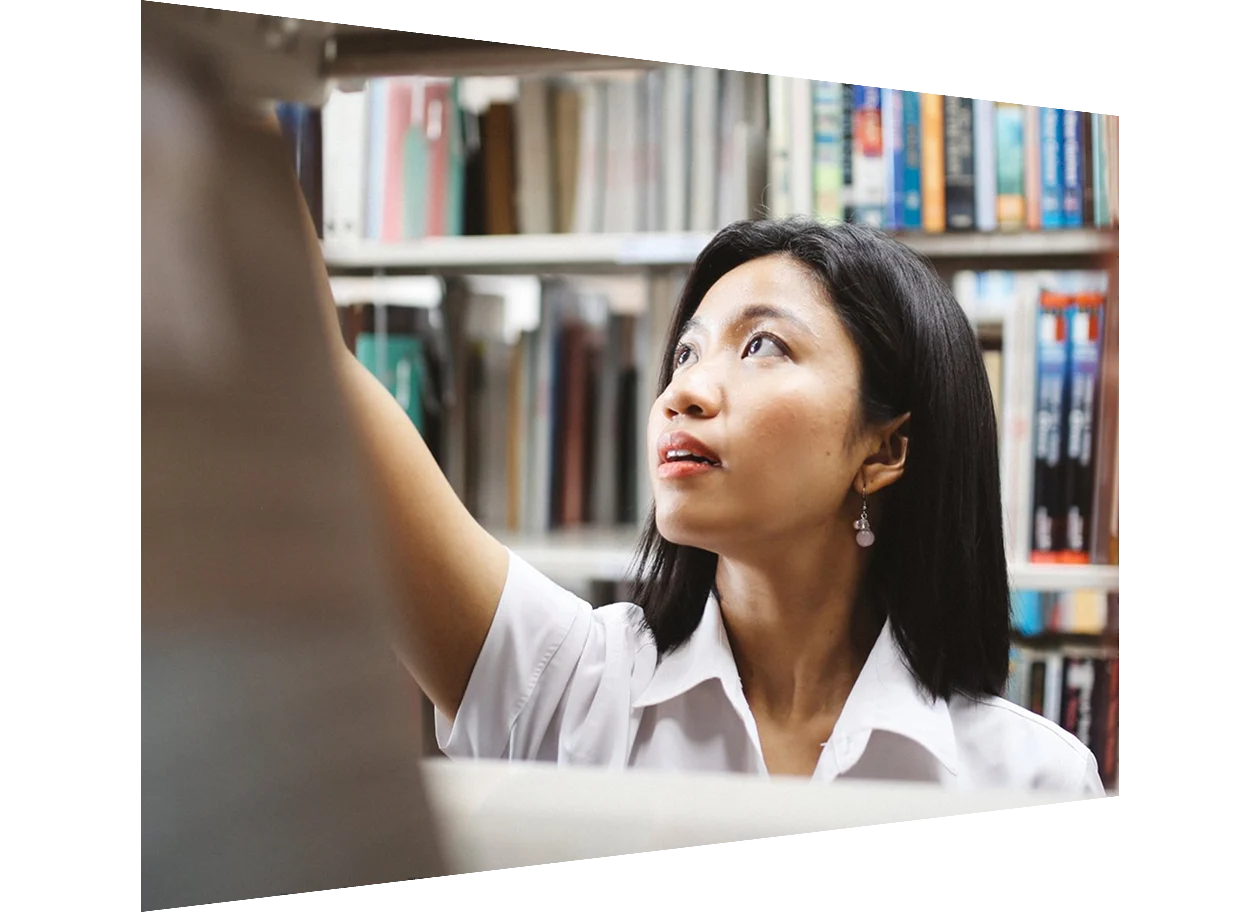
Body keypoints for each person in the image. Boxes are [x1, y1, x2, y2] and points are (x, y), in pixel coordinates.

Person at [298, 145, 1103, 791]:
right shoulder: (571, 685)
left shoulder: (1032, 779)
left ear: (885, 450)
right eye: (685, 351)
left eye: (762, 345)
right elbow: (305, 354)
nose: (685, 389)